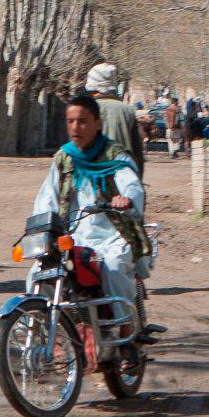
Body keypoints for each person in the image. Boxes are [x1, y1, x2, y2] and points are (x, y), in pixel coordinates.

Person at [33, 94, 153, 344]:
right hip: (73, 236)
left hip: (114, 233)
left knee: (113, 267)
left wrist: (125, 199)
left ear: (98, 123)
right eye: (71, 121)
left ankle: (126, 332)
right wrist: (41, 227)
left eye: (83, 121)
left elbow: (132, 185)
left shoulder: (115, 156)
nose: (76, 127)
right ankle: (44, 332)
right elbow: (47, 198)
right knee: (38, 271)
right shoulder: (63, 158)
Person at [84, 61, 146, 171]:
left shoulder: (85, 110)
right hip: (123, 175)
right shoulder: (128, 111)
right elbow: (137, 151)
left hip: (93, 174)